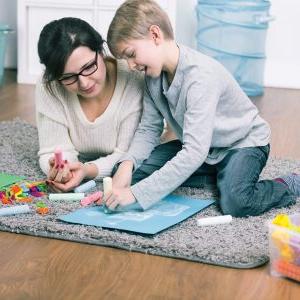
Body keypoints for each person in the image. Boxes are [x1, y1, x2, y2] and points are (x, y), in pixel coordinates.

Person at [103, 0, 296, 217]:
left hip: (242, 144)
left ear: (155, 35)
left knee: (236, 202)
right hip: (205, 149)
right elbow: (149, 129)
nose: (131, 66)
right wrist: (127, 165)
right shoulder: (151, 78)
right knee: (133, 172)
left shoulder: (200, 77)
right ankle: (219, 176)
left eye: (130, 54)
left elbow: (194, 152)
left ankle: (289, 184)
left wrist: (136, 195)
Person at [36, 17, 144, 192]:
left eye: (88, 67)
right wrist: (63, 170)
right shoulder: (49, 85)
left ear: (101, 51)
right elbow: (52, 149)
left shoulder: (132, 77)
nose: (84, 83)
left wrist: (86, 170)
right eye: (68, 77)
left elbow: (128, 156)